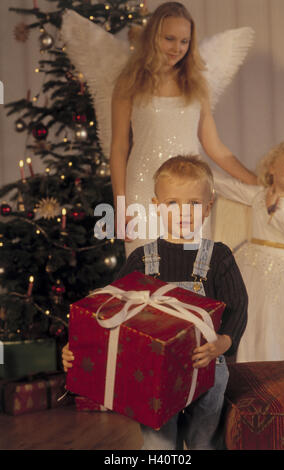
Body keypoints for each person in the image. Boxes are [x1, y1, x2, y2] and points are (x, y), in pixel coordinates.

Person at [62, 156, 248, 450]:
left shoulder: (219, 256)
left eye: (194, 204)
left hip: (206, 362)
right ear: (157, 205)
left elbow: (238, 305)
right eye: (173, 203)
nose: (184, 212)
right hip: (154, 371)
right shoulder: (142, 259)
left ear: (209, 206)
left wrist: (223, 343)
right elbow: (107, 308)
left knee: (205, 441)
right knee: (158, 443)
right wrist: (77, 346)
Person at [110, 1, 257, 256]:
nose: (177, 48)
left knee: (191, 275)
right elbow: (119, 147)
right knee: (146, 277)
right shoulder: (129, 82)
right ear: (154, 36)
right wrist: (120, 205)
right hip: (144, 189)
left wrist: (257, 182)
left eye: (184, 41)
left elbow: (215, 148)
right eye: (169, 39)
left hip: (191, 191)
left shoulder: (196, 84)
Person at [213, 140, 284, 362]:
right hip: (254, 267)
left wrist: (273, 211)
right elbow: (225, 185)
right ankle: (251, 365)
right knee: (253, 317)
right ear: (272, 168)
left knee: (281, 320)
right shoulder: (258, 195)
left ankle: (282, 369)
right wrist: (199, 171)